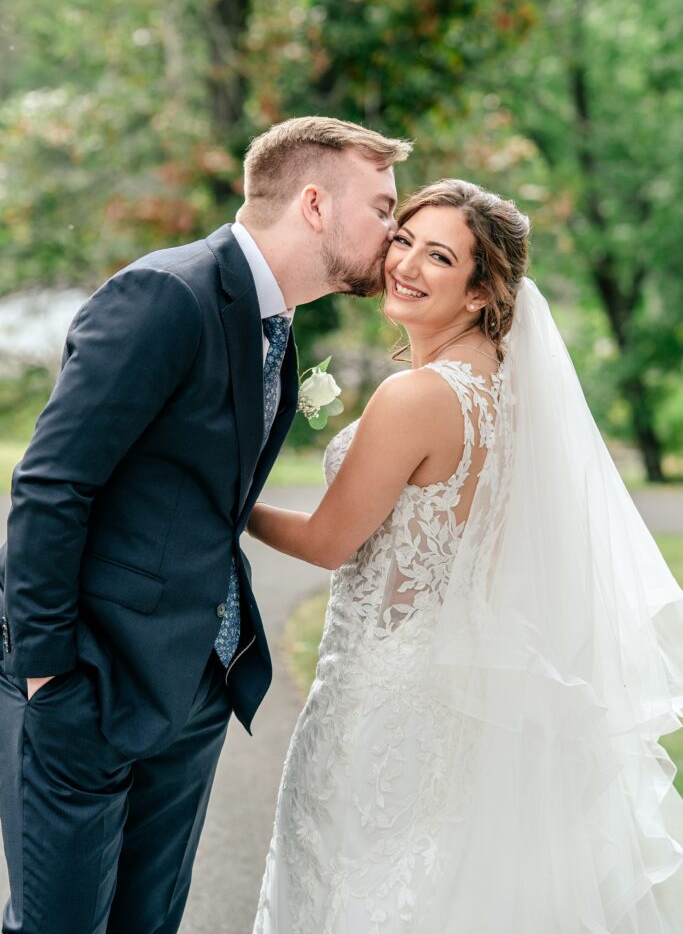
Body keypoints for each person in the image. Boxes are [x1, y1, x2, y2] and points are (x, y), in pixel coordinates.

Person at [0, 116, 411, 934]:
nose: (394, 232)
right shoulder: (168, 293)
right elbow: (51, 484)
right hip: (89, 681)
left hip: (192, 690)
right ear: (315, 204)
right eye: (382, 206)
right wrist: (48, 674)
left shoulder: (275, 327)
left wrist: (205, 686)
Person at [248, 179, 683, 933]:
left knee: (353, 882)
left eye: (439, 257)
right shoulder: (510, 391)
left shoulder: (415, 397)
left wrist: (225, 502)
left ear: (482, 291)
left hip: (384, 692)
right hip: (468, 684)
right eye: (405, 239)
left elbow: (327, 543)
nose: (405, 264)